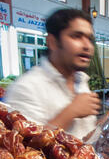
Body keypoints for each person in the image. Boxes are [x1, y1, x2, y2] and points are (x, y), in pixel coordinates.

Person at [6, 8, 101, 141]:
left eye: (89, 39)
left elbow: (85, 139)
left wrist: (107, 123)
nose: (87, 46)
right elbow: (25, 148)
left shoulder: (81, 82)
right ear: (52, 42)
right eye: (76, 36)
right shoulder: (26, 88)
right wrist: (70, 112)